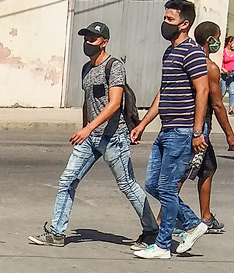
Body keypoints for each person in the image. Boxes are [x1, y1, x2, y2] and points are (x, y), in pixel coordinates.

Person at [28, 22, 159, 248]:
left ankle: (151, 231)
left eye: (93, 39)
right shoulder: (86, 69)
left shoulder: (114, 66)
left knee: (127, 185)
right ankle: (57, 233)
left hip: (114, 138)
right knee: (67, 180)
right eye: (86, 38)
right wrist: (85, 128)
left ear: (104, 42)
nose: (88, 43)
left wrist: (88, 128)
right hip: (90, 139)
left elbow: (114, 103)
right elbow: (88, 102)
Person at [130, 0, 211, 259]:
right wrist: (143, 124)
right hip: (166, 130)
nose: (165, 24)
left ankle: (163, 246)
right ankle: (192, 223)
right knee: (153, 184)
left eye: (170, 20)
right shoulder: (170, 52)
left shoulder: (192, 53)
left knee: (166, 187)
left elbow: (203, 90)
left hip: (183, 131)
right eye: (165, 18)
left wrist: (198, 132)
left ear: (184, 24)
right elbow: (163, 93)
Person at [169, 21, 234, 239]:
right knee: (180, 174)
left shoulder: (187, 59)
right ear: (212, 40)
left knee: (208, 168)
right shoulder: (208, 67)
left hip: (190, 127)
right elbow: (218, 104)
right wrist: (230, 134)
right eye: (218, 37)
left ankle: (206, 216)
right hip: (198, 130)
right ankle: (165, 220)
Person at [221, 36, 234, 116]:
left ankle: (231, 109)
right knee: (222, 91)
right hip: (225, 74)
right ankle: (217, 107)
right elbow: (220, 61)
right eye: (233, 42)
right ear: (229, 42)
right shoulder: (223, 51)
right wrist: (223, 69)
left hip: (233, 74)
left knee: (232, 92)